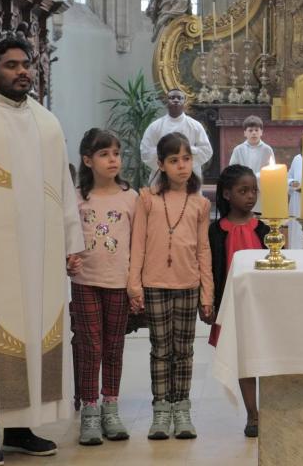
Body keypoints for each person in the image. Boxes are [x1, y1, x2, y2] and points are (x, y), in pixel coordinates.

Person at [0, 38, 84, 465]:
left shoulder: (47, 122)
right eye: (12, 65)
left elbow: (64, 189)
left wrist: (72, 243)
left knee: (34, 332)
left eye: (26, 64)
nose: (23, 71)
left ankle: (21, 428)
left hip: (41, 253)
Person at [127, 132, 213, 440]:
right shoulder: (147, 199)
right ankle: (161, 410)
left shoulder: (200, 203)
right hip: (154, 284)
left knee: (184, 350)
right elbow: (137, 244)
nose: (182, 166)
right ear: (161, 164)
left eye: (186, 159)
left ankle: (182, 408)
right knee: (161, 350)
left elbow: (203, 249)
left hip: (188, 284)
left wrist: (207, 292)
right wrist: (134, 285)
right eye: (174, 160)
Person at [71, 128, 137, 446]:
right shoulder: (77, 198)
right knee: (90, 348)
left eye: (116, 153)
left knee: (113, 347)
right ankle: (90, 410)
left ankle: (111, 406)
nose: (113, 160)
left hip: (118, 282)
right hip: (85, 282)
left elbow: (138, 244)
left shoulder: (130, 197)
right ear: (87, 160)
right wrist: (67, 258)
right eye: (104, 154)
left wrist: (135, 282)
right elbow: (67, 238)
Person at [207, 165, 268, 438]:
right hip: (230, 303)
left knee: (265, 356)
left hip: (263, 305)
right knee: (243, 359)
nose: (250, 196)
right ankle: (252, 414)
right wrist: (208, 301)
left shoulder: (265, 228)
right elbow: (211, 269)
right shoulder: (216, 231)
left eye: (254, 190)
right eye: (243, 191)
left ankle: (270, 409)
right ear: (227, 194)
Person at [140, 88, 213, 184]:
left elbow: (206, 150)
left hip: (189, 176)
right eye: (172, 97)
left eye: (179, 98)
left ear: (184, 101)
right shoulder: (155, 126)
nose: (176, 100)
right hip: (162, 176)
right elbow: (146, 151)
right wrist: (166, 159)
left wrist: (187, 151)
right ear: (166, 101)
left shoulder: (195, 126)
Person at [228, 115, 275, 214]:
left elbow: (272, 170)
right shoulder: (238, 150)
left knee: (259, 218)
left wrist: (258, 178)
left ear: (261, 132)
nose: (254, 133)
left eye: (256, 130)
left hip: (261, 189)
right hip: (243, 189)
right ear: (245, 133)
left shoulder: (267, 149)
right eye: (250, 130)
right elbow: (232, 170)